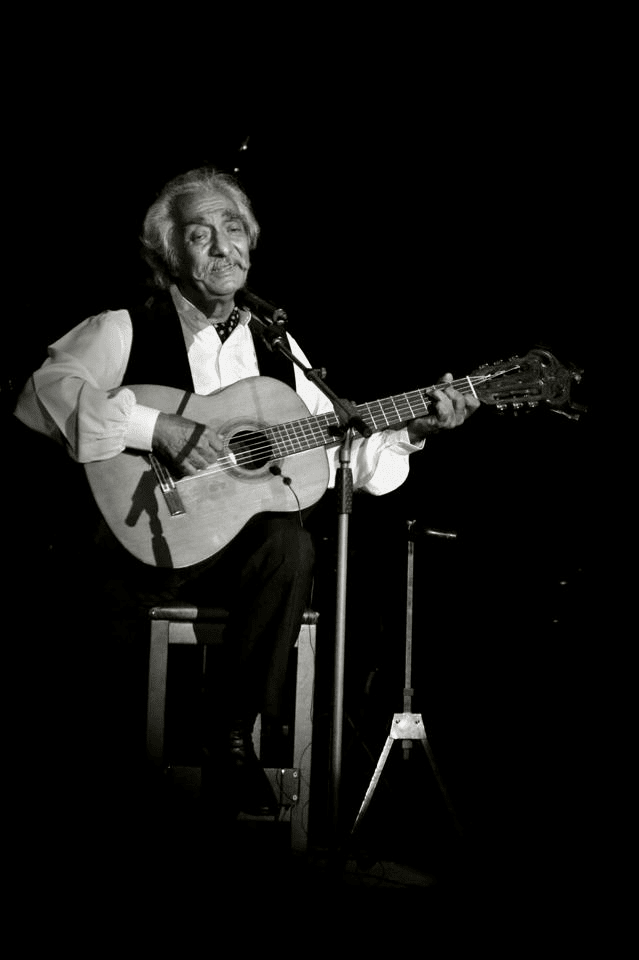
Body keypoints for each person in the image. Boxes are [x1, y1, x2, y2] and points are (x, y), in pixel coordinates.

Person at [14, 166, 479, 818]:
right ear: (170, 253)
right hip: (140, 552)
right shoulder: (125, 327)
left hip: (233, 560)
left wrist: (412, 430)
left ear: (251, 244)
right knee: (99, 708)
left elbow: (338, 452)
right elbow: (42, 395)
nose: (221, 247)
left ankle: (230, 732)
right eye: (199, 234)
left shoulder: (276, 344)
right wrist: (157, 428)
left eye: (232, 229)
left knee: (290, 545)